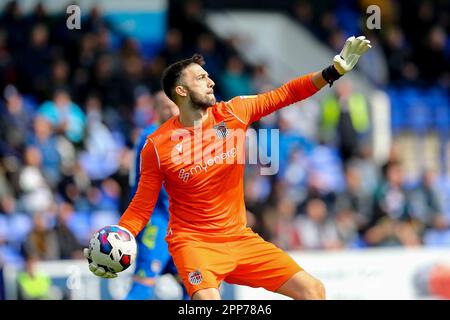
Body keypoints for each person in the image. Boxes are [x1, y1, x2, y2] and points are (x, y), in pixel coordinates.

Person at [85, 36, 371, 300]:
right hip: (194, 244)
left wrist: (331, 72)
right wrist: (118, 236)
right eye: (200, 78)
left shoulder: (233, 112)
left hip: (239, 237)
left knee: (314, 290)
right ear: (181, 91)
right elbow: (142, 204)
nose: (210, 82)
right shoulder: (155, 145)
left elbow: (286, 94)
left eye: (208, 76)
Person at [125, 90, 189, 300]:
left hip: (184, 226)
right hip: (157, 222)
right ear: (157, 110)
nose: (171, 108)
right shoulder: (150, 136)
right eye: (165, 104)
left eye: (174, 104)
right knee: (143, 285)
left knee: (198, 288)